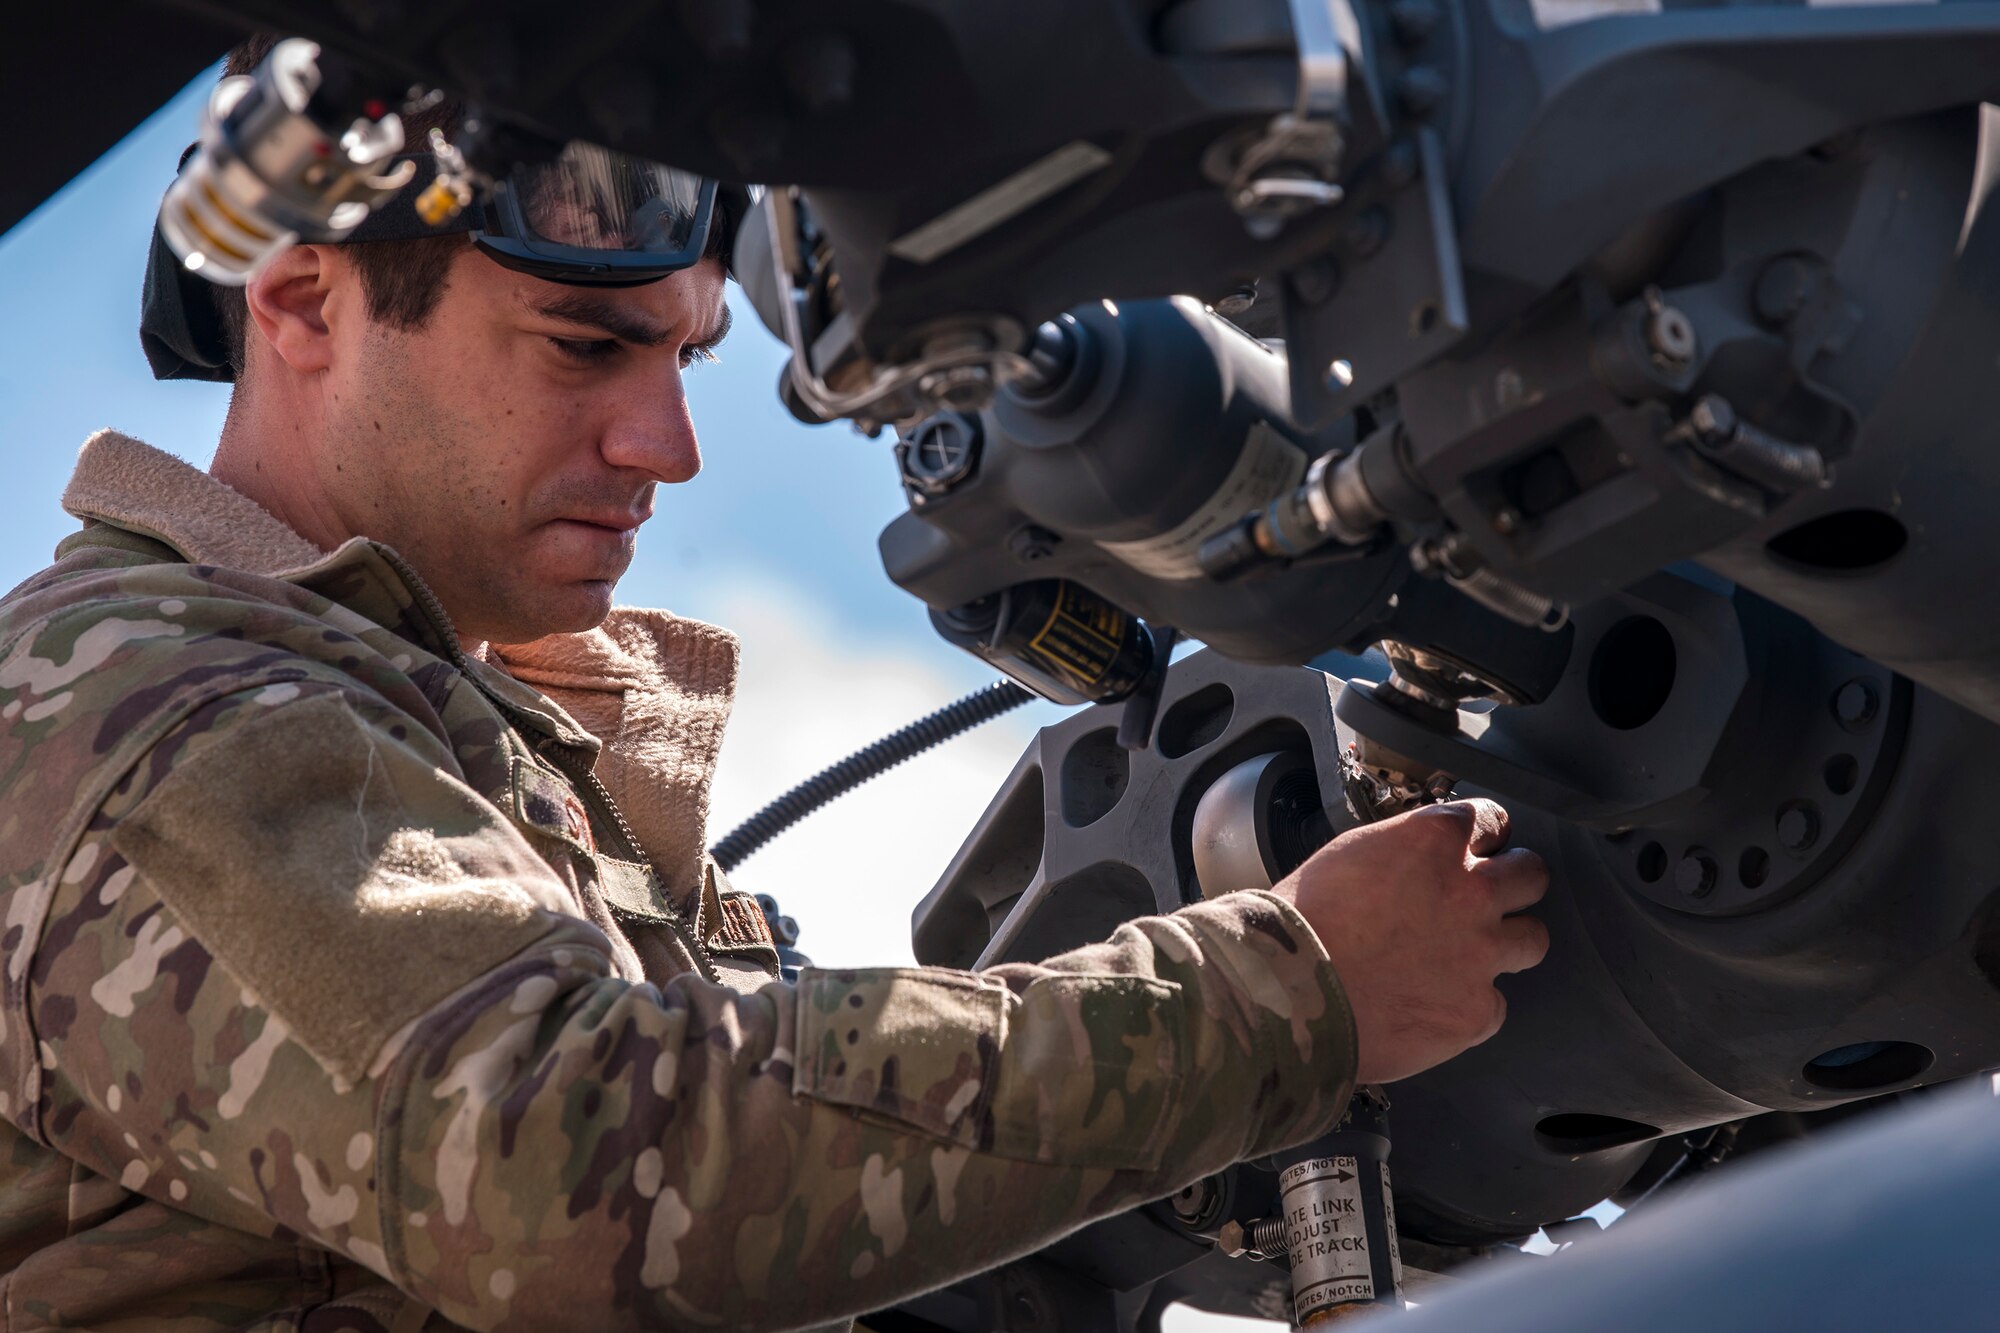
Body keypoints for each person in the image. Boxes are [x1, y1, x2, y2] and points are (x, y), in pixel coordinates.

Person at [0, 38, 1549, 1333]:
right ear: (300, 302)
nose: (666, 447)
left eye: (687, 359)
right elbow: (569, 1165)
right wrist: (1288, 991)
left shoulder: (465, 748)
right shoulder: (142, 698)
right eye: (585, 347)